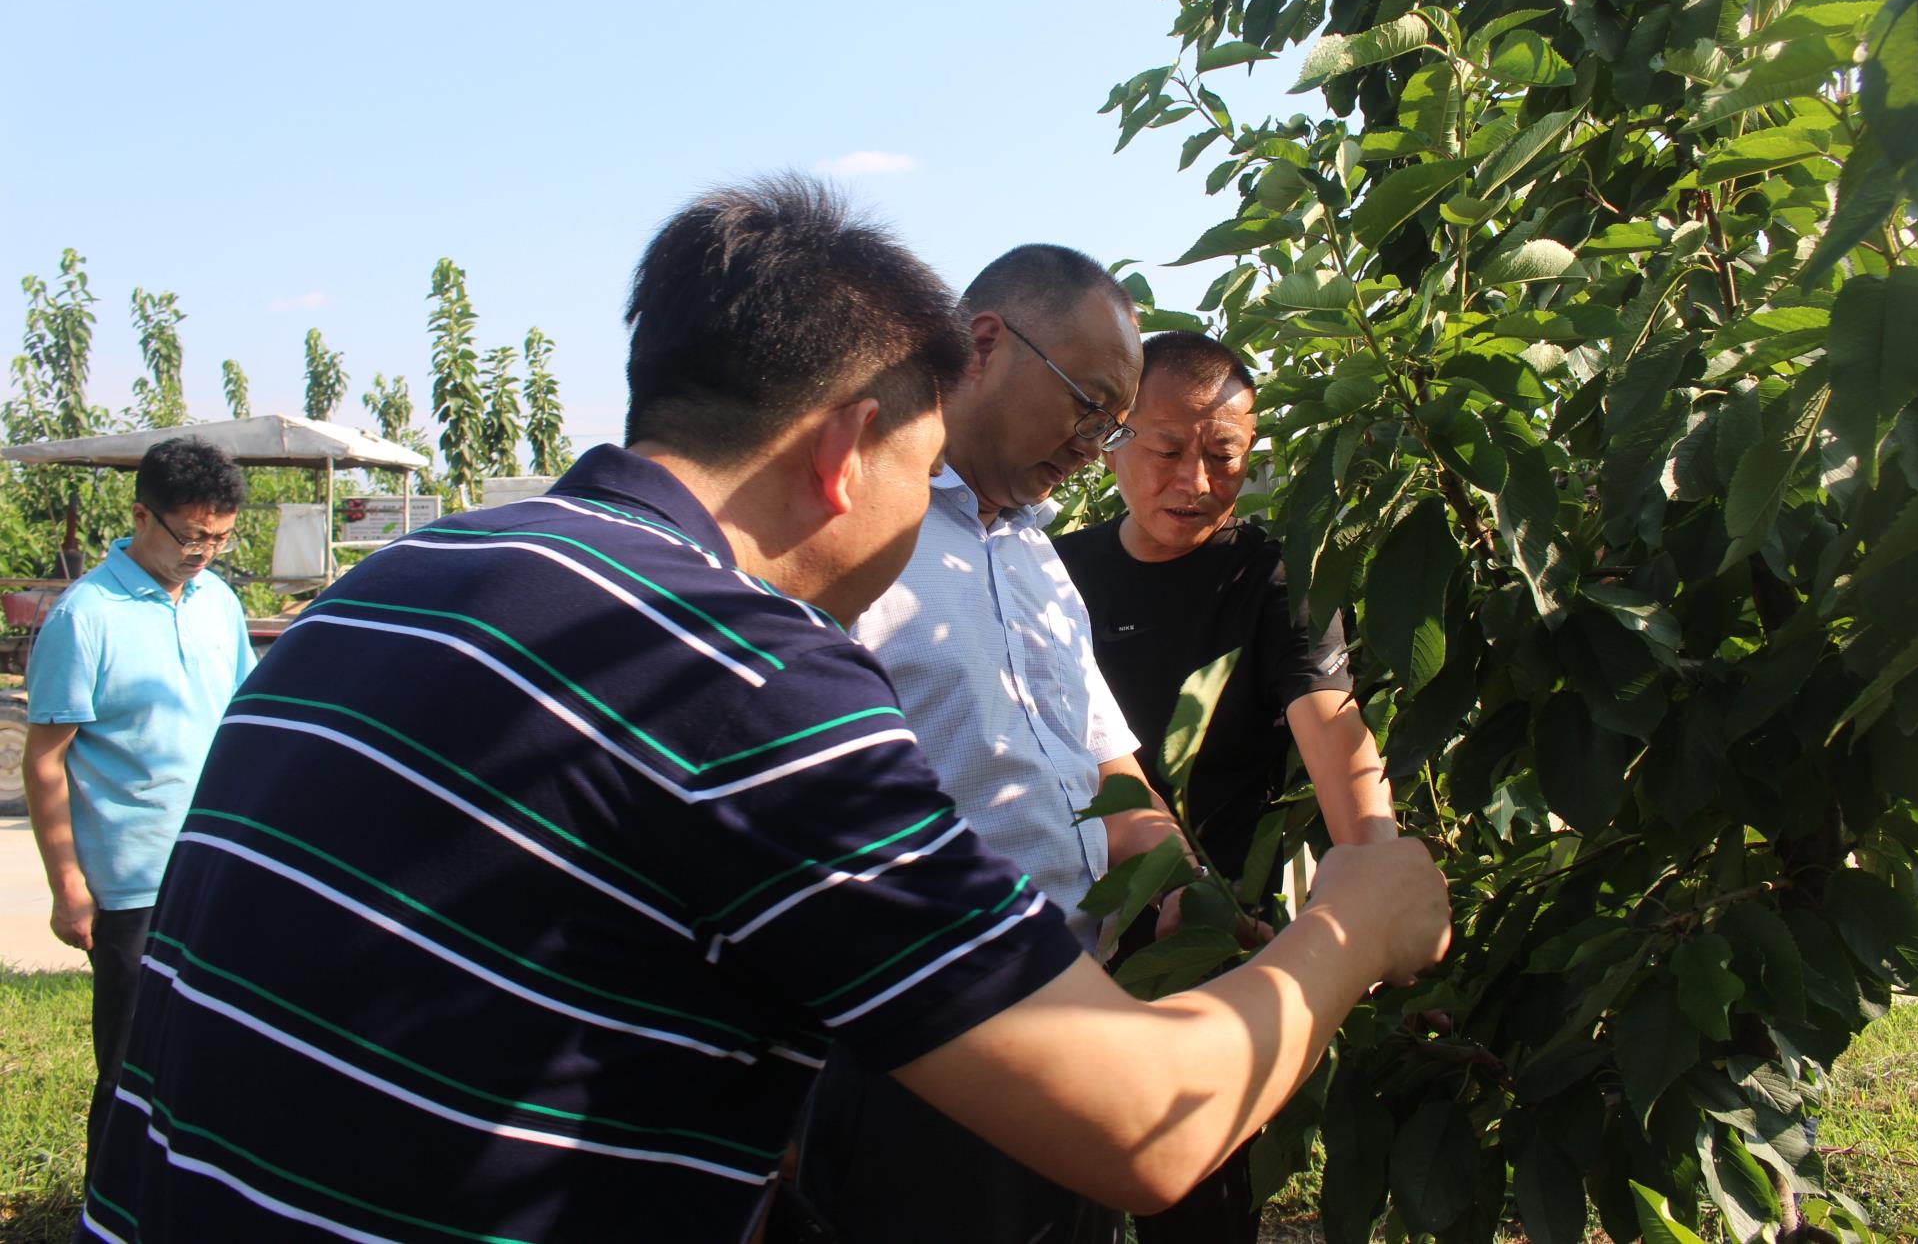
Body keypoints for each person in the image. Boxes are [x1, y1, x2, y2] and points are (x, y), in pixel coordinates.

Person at [84, 179, 1450, 1244]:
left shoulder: (389, 589)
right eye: (926, 461)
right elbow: (1146, 1123)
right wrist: (1355, 920)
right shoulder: (743, 675)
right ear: (850, 450)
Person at [799, 246, 1196, 1243]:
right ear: (983, 343)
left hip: (1074, 1021)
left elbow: (1106, 767)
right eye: (1086, 404)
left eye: (1112, 426)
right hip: (925, 1041)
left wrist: (1190, 893)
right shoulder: (855, 526)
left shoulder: (1034, 557)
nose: (1092, 444)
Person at [1053, 332, 1398, 1242]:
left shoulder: (1273, 576)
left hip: (1208, 931)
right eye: (1168, 449)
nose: (1195, 481)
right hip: (1069, 920)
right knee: (1056, 1187)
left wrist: (1380, 889)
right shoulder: (1055, 574)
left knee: (1197, 1196)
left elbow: (1332, 729)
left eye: (1224, 454)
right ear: (1116, 439)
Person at [20, 437, 254, 1184]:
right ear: (141, 516)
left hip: (213, 864)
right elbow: (44, 759)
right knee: (129, 1062)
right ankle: (109, 1210)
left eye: (220, 537)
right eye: (192, 536)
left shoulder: (218, 602)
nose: (204, 553)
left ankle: (190, 1197)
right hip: (131, 885)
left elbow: (241, 719)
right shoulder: (85, 616)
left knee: (215, 1045)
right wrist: (68, 885)